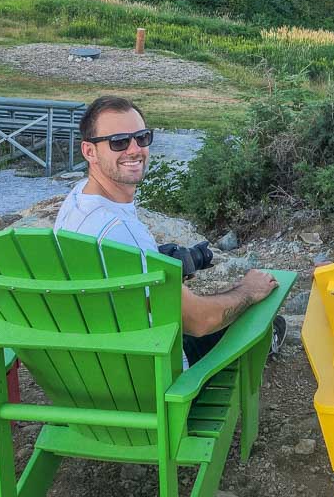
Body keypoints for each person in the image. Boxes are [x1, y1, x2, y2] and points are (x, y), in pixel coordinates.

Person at [54, 94, 284, 364]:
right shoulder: (121, 231)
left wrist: (160, 265)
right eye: (118, 141)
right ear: (89, 151)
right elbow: (200, 320)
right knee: (259, 316)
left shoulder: (78, 200)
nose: (134, 150)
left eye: (142, 138)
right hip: (151, 370)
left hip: (93, 355)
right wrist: (248, 289)